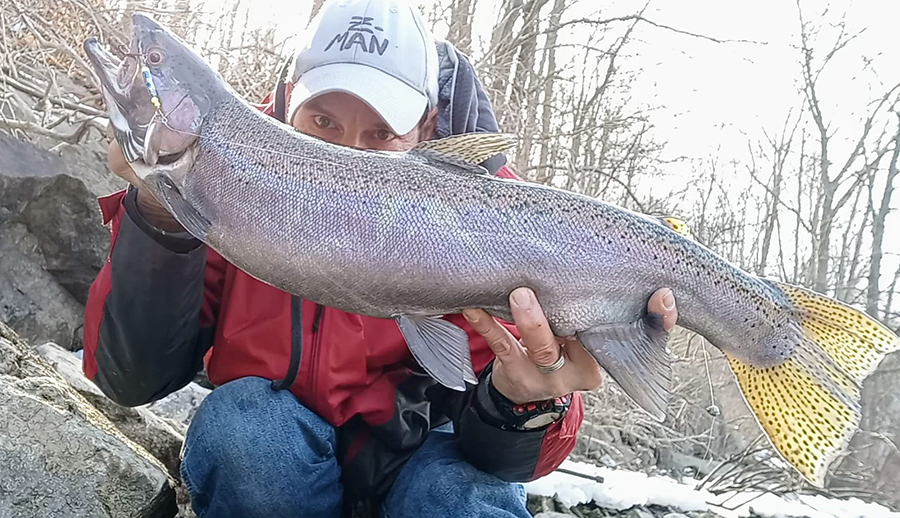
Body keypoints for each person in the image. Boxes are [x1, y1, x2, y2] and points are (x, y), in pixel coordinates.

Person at [82, 0, 679, 516]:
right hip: (276, 466)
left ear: (426, 126)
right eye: (323, 120)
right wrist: (157, 212)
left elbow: (511, 460)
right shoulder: (232, 180)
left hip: (424, 464)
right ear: (289, 102)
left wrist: (522, 401)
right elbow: (131, 379)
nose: (348, 151)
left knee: (467, 496)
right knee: (243, 431)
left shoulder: (497, 216)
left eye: (381, 133)